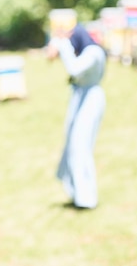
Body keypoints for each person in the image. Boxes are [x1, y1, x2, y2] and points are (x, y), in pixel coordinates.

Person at [47, 23, 106, 210]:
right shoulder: (89, 51)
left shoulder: (93, 52)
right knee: (72, 146)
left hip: (90, 101)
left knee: (81, 148)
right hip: (81, 99)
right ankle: (76, 192)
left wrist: (63, 45)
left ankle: (86, 198)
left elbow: (74, 69)